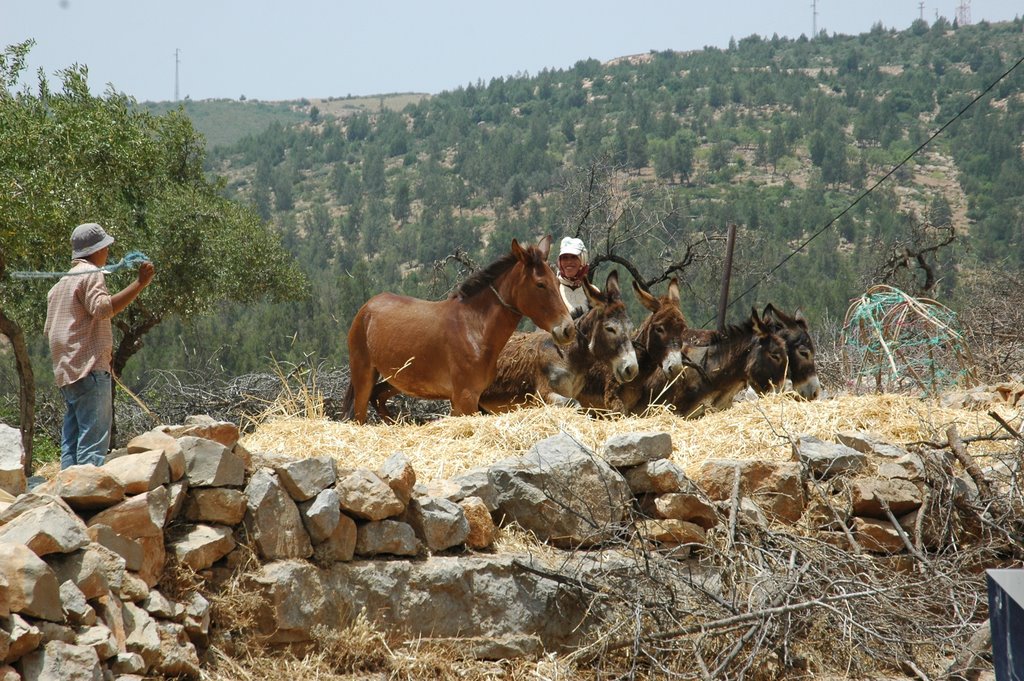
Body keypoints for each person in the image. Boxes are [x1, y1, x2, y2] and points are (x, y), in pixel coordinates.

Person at [44, 223, 155, 469]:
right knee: (92, 445)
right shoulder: (91, 274)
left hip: (67, 375)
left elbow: (51, 330)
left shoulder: (59, 286)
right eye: (105, 246)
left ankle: (67, 496)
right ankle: (87, 500)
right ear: (96, 250)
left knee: (71, 444)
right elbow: (103, 309)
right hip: (89, 369)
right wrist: (140, 283)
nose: (107, 251)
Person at [556, 236, 590, 319]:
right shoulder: (554, 290)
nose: (569, 262)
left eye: (574, 257)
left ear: (583, 260)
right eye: (564, 258)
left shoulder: (593, 292)